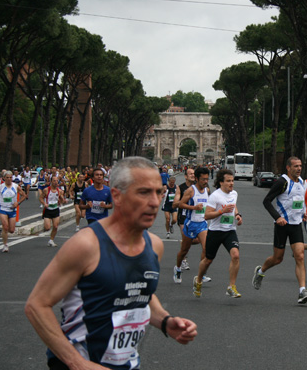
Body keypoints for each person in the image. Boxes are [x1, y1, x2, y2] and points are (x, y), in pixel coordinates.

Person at [25, 157, 198, 369]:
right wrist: (78, 363)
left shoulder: (154, 246)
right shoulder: (86, 245)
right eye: (143, 192)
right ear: (117, 196)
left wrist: (165, 321)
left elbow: (138, 292)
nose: (154, 202)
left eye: (158, 192)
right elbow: (37, 305)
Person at [252, 157, 307, 304]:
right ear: (288, 168)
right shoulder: (282, 182)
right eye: (295, 166)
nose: (299, 169)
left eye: (300, 166)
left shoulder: (302, 182)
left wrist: (303, 212)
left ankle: (302, 291)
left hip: (296, 224)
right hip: (282, 225)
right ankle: (260, 272)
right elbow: (266, 201)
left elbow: (301, 199)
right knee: (277, 258)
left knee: (300, 256)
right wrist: (277, 217)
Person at [192, 169, 242, 298]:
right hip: (215, 231)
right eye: (228, 181)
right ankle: (198, 280)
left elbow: (234, 205)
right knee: (208, 260)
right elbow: (207, 215)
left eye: (232, 181)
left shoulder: (234, 193)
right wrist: (222, 211)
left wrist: (237, 215)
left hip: (230, 230)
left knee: (235, 255)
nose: (232, 183)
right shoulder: (215, 196)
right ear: (221, 182)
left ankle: (231, 287)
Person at [174, 167, 210, 284]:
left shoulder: (207, 190)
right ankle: (178, 268)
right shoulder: (190, 190)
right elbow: (180, 204)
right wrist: (194, 208)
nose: (205, 181)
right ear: (197, 179)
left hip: (202, 223)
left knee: (206, 248)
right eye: (203, 179)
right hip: (190, 223)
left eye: (207, 179)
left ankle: (201, 274)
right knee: (184, 250)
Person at [0, 170, 27, 252]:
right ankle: (5, 245)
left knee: (11, 230)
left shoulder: (15, 186)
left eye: (10, 177)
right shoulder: (0, 187)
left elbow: (24, 195)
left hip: (12, 210)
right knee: (5, 226)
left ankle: (6, 237)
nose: (9, 179)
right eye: (7, 177)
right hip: (3, 209)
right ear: (4, 178)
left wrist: (17, 203)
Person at [173, 167, 198, 271]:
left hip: (196, 217)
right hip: (183, 216)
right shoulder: (181, 187)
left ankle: (184, 243)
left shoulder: (200, 187)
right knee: (185, 236)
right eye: (190, 174)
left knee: (197, 240)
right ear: (185, 176)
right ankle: (183, 260)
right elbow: (175, 204)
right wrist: (185, 202)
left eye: (194, 173)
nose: (192, 175)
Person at [40, 175, 66, 247]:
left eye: (57, 181)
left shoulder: (60, 191)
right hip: (48, 210)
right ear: (51, 181)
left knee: (55, 226)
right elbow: (41, 198)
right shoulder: (46, 190)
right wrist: (44, 203)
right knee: (48, 228)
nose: (55, 182)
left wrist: (63, 200)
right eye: (54, 181)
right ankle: (45, 225)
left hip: (56, 210)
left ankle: (51, 240)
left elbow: (62, 201)